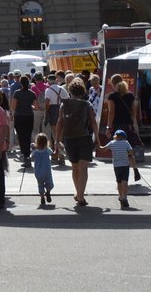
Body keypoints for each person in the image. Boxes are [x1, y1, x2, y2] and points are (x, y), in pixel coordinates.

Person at [56, 77, 96, 207]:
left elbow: (59, 122)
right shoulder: (87, 104)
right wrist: (98, 138)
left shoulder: (64, 104)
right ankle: (81, 195)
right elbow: (93, 122)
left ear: (70, 90)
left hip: (70, 138)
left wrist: (57, 140)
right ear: (83, 90)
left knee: (75, 168)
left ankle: (78, 192)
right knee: (83, 168)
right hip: (84, 137)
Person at [102, 128, 140, 209]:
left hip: (116, 166)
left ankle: (121, 197)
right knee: (125, 182)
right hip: (125, 165)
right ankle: (125, 198)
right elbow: (131, 152)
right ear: (124, 137)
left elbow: (103, 149)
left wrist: (97, 145)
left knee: (119, 182)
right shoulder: (126, 143)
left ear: (115, 136)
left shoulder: (112, 143)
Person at [9, 75, 37, 163]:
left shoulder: (17, 93)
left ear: (20, 83)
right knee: (28, 135)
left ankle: (25, 154)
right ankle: (27, 154)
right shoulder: (32, 93)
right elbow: (36, 107)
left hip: (19, 116)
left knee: (21, 135)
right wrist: (30, 106)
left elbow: (13, 106)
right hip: (29, 116)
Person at [32, 132, 55, 205]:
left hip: (38, 172)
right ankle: (48, 192)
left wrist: (32, 148)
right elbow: (53, 154)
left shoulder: (35, 152)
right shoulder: (47, 150)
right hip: (47, 171)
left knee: (40, 185)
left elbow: (31, 157)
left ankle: (42, 197)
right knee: (49, 183)